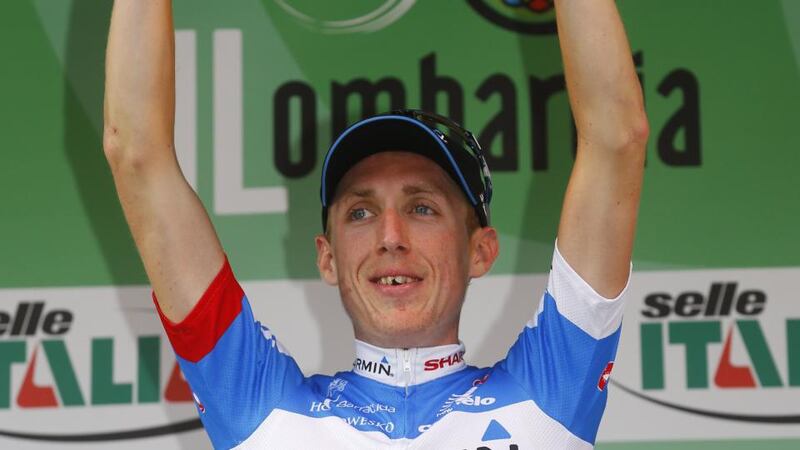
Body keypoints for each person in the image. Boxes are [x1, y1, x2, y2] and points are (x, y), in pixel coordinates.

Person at [103, 0, 647, 448]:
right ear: (327, 258)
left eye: (422, 208)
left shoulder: (552, 391)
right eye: (360, 212)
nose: (390, 237)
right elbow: (138, 156)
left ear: (479, 250)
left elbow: (617, 141)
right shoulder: (255, 404)